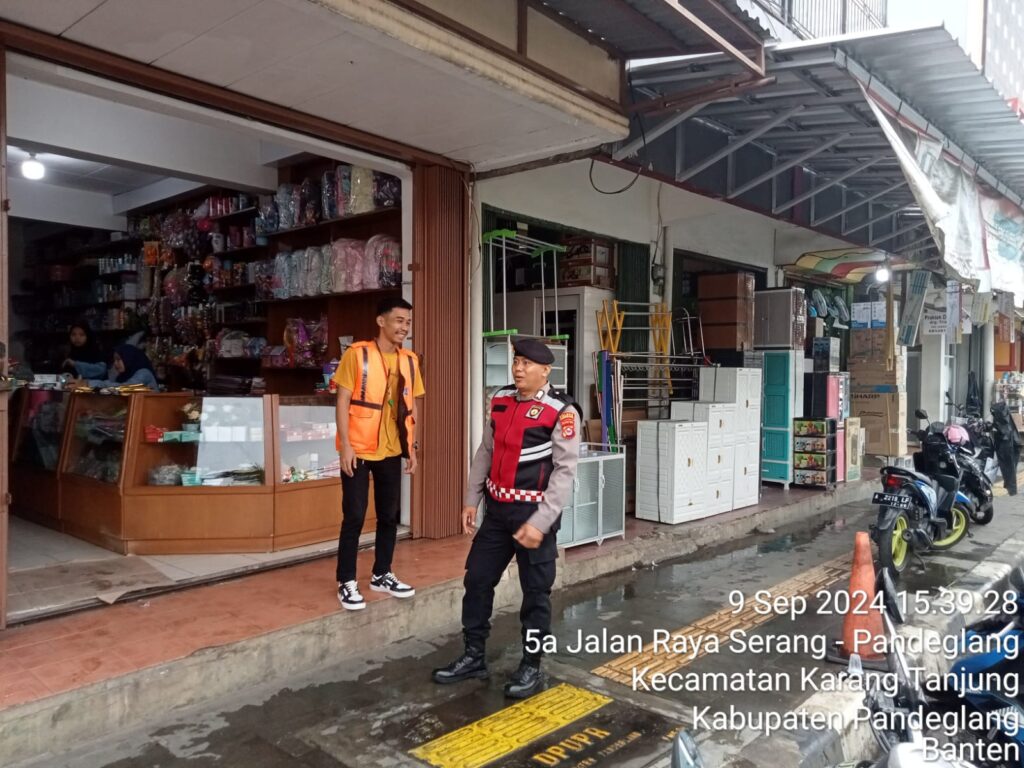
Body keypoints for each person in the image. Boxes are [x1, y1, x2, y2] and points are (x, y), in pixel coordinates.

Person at [433, 338, 580, 699]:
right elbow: (486, 451)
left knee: (535, 595)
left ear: (546, 370)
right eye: (516, 361)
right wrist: (472, 498)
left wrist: (541, 522)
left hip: (534, 516)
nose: (518, 368)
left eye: (527, 363)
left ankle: (531, 664)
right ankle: (473, 655)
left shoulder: (561, 411)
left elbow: (565, 472)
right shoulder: (500, 400)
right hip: (498, 513)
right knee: (478, 580)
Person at [332, 297, 425, 610]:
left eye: (408, 322)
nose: (404, 327)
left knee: (389, 515)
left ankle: (381, 573)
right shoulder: (357, 355)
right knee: (355, 515)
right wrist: (345, 444)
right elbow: (343, 400)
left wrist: (412, 447)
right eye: (399, 320)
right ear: (381, 321)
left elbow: (412, 406)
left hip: (390, 448)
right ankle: (346, 580)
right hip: (358, 447)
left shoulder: (410, 360)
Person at [84, 344, 158, 389]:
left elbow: (125, 388)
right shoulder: (121, 377)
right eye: (114, 360)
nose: (115, 364)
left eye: (118, 359)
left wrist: (88, 383)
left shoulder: (144, 373)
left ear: (129, 358)